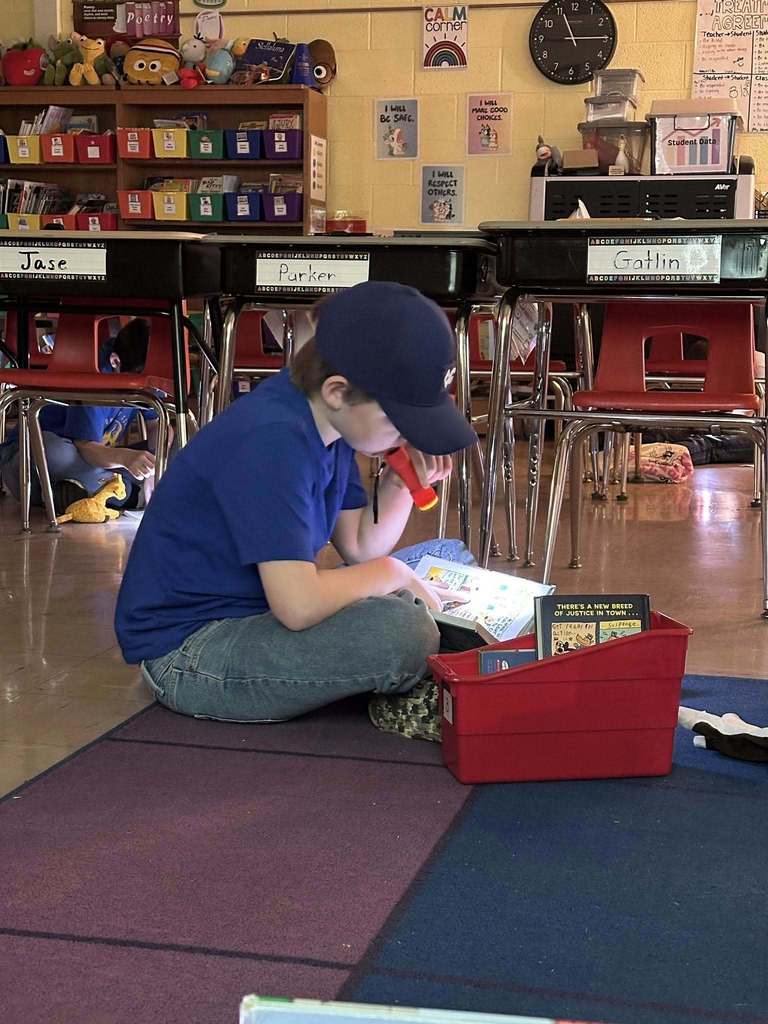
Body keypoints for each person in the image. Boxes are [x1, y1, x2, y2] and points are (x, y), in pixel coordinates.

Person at [115, 281, 478, 737]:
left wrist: (401, 485)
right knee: (401, 630)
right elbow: (299, 605)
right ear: (337, 392)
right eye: (396, 421)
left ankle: (422, 645)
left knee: (448, 556)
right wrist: (395, 576)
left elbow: (360, 546)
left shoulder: (332, 425)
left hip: (262, 611)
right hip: (193, 654)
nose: (405, 436)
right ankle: (405, 682)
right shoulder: (274, 441)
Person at [0, 318, 159, 513]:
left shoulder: (147, 366)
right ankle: (129, 495)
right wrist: (125, 459)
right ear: (115, 361)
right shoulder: (95, 375)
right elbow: (86, 447)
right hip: (29, 462)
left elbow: (156, 426)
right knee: (54, 450)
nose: (147, 389)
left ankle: (79, 493)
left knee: (180, 446)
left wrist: (156, 464)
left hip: (92, 462)